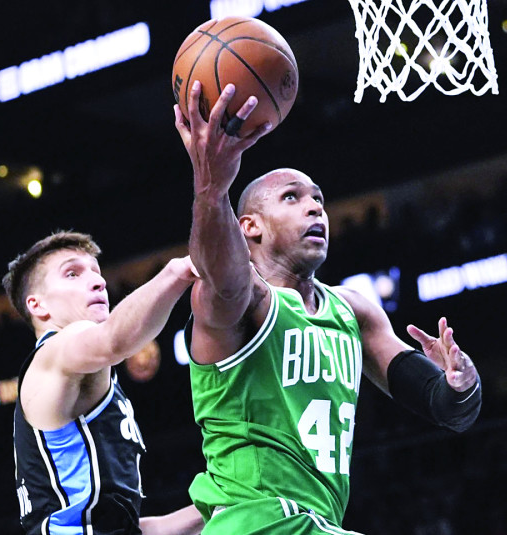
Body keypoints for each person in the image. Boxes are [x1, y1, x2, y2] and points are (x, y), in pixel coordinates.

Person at [172, 81, 482, 534]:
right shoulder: (244, 303)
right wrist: (211, 189)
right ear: (250, 227)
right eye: (293, 198)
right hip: (259, 521)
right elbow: (220, 274)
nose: (316, 208)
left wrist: (461, 387)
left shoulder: (354, 311)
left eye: (318, 198)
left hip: (313, 524)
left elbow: (448, 411)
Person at [2, 230, 204, 535]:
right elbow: (114, 339)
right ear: (38, 305)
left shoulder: (83, 374)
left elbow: (131, 530)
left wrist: (216, 506)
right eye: (72, 273)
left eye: (96, 272)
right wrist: (181, 270)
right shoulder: (54, 352)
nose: (99, 282)